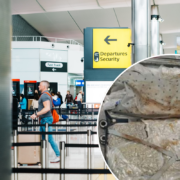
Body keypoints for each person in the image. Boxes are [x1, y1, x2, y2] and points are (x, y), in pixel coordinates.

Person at [30, 80, 60, 163]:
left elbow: (47, 108)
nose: (38, 86)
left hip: (46, 119)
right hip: (44, 119)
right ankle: (41, 156)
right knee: (43, 138)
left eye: (39, 85)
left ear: (43, 86)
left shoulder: (44, 96)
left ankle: (58, 155)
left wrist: (36, 114)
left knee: (49, 138)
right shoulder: (45, 95)